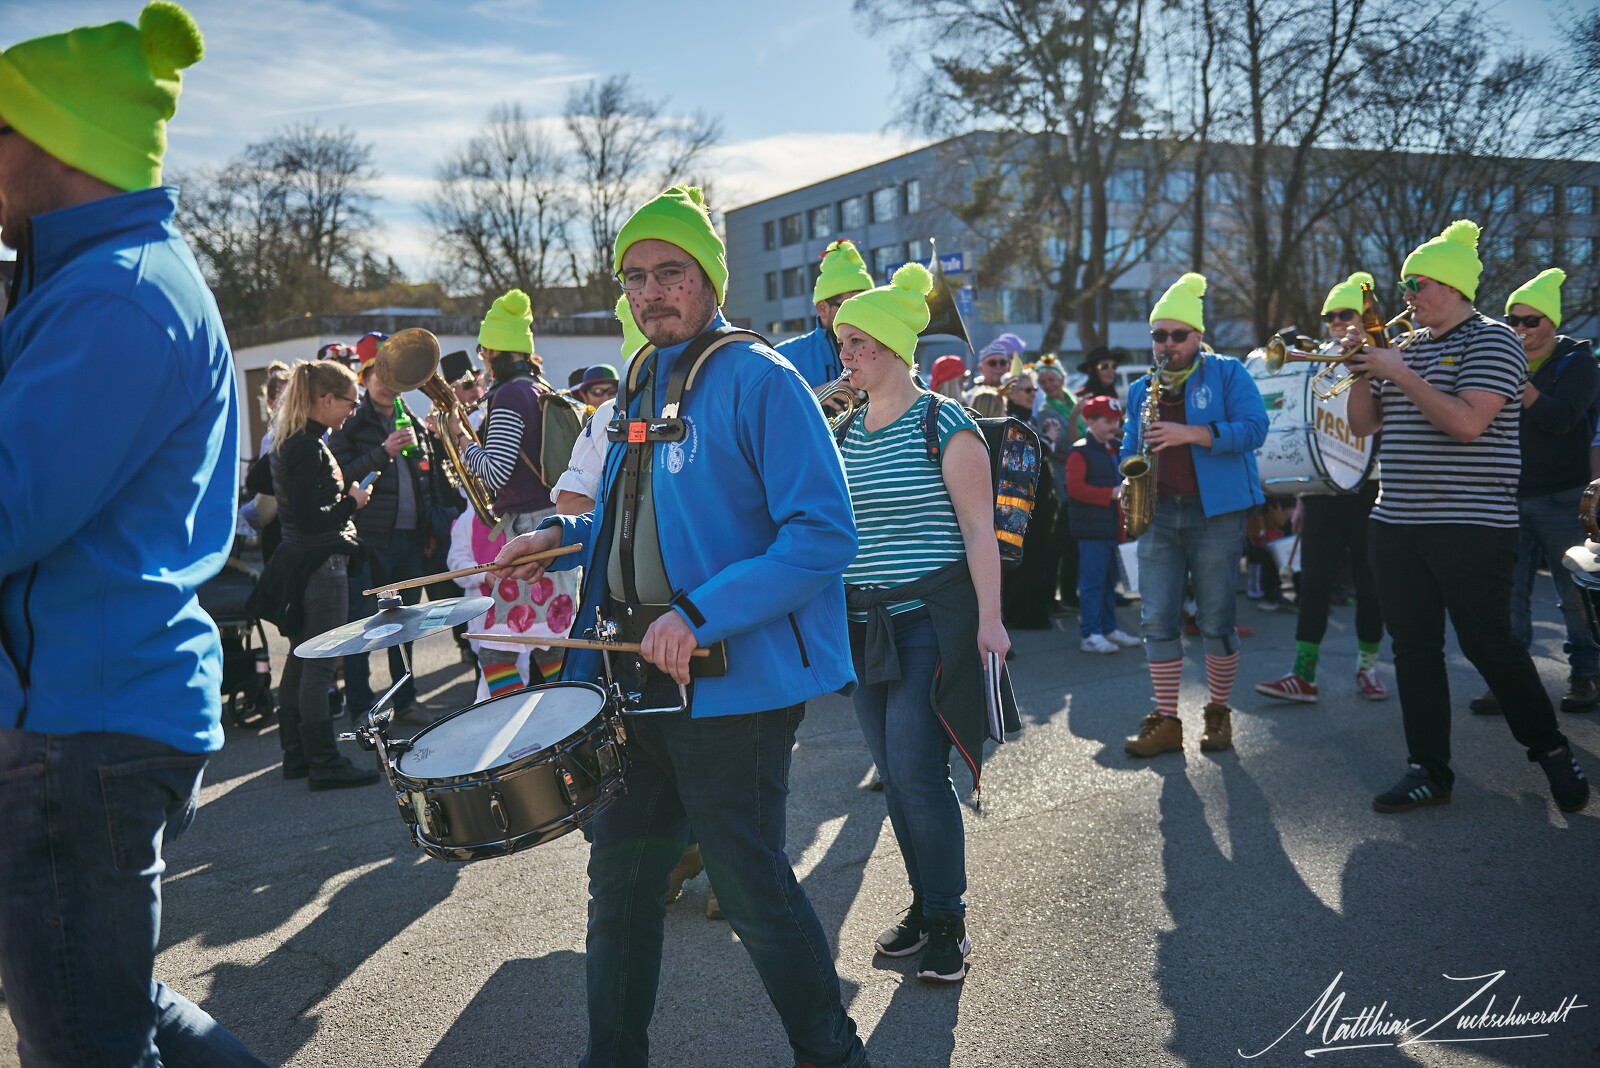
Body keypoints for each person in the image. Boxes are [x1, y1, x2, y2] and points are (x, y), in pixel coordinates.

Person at [489, 185, 869, 1068]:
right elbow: (632, 518)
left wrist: (700, 615)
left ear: (709, 280)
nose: (651, 292)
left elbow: (823, 534)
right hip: (630, 680)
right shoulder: (639, 378)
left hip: (731, 684)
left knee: (751, 888)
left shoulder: (762, 378)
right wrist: (557, 538)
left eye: (670, 273)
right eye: (635, 278)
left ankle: (834, 1053)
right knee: (618, 888)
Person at [0, 5, 267, 1064]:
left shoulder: (116, 297)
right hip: (88, 712)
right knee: (111, 1004)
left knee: (86, 1037)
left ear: (57, 143)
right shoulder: (97, 282)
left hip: (82, 726)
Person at [1343, 221, 1589, 814]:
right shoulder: (1407, 346)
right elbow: (1362, 425)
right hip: (1395, 519)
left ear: (1453, 287)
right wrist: (1359, 371)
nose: (1406, 295)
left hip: (1470, 523)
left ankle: (1553, 753)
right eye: (1405, 283)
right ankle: (1428, 769)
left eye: (1416, 283)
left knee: (1489, 645)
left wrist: (1399, 373)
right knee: (1414, 649)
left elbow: (1467, 423)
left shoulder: (1495, 341)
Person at [832, 262, 1014, 984]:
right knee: (899, 778)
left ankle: (949, 922)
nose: (844, 356)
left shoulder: (946, 420)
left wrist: (992, 622)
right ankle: (924, 903)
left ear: (891, 345)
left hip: (927, 620)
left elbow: (979, 531)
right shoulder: (842, 430)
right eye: (841, 343)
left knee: (915, 771)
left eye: (857, 343)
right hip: (860, 623)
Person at [1122, 273, 1269, 758]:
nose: (1167, 344)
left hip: (1217, 514)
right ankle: (1167, 719)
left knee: (1216, 620)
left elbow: (1254, 428)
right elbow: (1129, 446)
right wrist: (1126, 480)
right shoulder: (1142, 388)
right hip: (1159, 512)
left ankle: (1218, 713)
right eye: (1159, 335)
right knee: (1156, 620)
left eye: (1177, 335)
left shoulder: (1228, 374)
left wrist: (1192, 434)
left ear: (1198, 337)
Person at [1468, 268, 1600, 716]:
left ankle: (1585, 676)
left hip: (1562, 498)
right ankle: (1511, 682)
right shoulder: (1498, 354)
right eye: (1513, 320)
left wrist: (1519, 384)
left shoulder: (1577, 362)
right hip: (1505, 494)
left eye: (1531, 321)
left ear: (1552, 323)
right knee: (1507, 595)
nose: (1520, 330)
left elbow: (1562, 419)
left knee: (1574, 595)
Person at [1256, 271, 1388, 703]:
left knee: (1371, 584)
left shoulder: (1386, 355)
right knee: (1313, 582)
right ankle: (1303, 674)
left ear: (1365, 316)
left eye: (1344, 313)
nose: (1334, 322)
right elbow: (1311, 431)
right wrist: (1300, 496)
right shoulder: (1323, 361)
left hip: (1369, 489)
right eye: (1329, 316)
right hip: (1323, 493)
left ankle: (1368, 669)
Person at [250, 361, 380, 788]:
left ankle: (299, 757)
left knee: (301, 662)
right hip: (321, 564)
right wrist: (354, 502)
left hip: (306, 561)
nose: (352, 410)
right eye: (350, 401)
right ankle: (323, 762)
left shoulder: (293, 440)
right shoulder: (306, 447)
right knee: (319, 665)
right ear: (326, 400)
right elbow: (310, 518)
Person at [329, 334, 456, 721]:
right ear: (364, 380)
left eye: (391, 376)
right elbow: (339, 477)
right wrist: (381, 451)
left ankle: (405, 700)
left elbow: (429, 479)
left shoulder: (412, 419)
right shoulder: (351, 425)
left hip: (411, 540)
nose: (385, 384)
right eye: (375, 375)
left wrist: (431, 527)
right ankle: (361, 706)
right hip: (369, 542)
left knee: (406, 627)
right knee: (364, 626)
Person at [449, 288, 568, 692]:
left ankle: (514, 733)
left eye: (484, 351)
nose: (482, 359)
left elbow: (496, 472)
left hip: (524, 534)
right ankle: (563, 728)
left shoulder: (509, 395)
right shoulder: (539, 387)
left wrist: (463, 443)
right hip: (550, 525)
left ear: (498, 351)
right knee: (553, 642)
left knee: (496, 647)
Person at [1069, 396, 1141, 653]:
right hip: (1092, 529)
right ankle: (1090, 633)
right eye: (1107, 421)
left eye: (1116, 420)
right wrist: (1109, 494)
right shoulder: (1080, 451)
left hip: (1113, 526)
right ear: (1089, 421)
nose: (1113, 425)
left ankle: (1109, 628)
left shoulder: (1116, 447)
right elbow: (1074, 489)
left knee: (1110, 583)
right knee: (1092, 583)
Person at [775, 237, 874, 390]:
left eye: (867, 306)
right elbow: (759, 411)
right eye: (850, 306)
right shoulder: (783, 358)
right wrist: (813, 397)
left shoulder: (883, 349)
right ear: (823, 309)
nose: (860, 315)